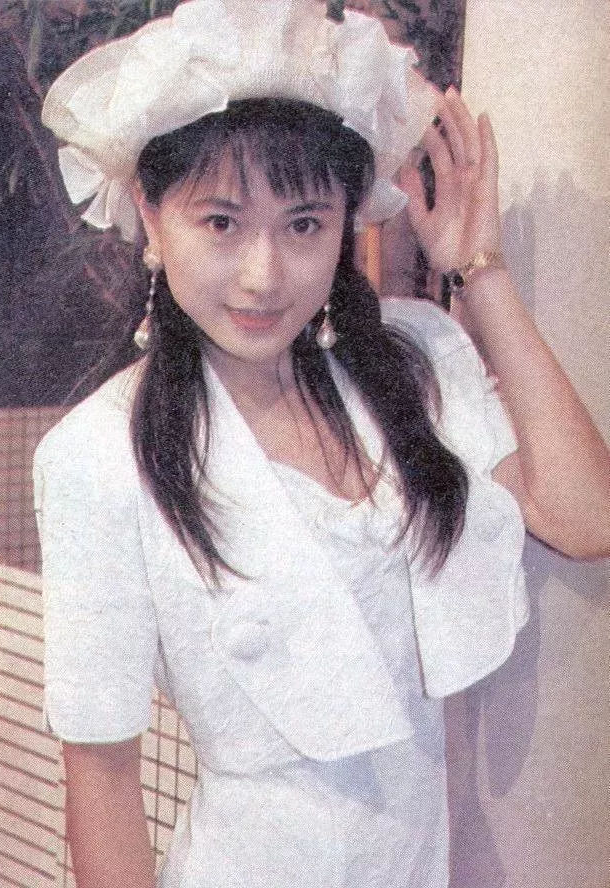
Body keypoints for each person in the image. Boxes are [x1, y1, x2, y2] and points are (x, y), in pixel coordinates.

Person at [32, 1, 610, 887]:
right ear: (151, 211)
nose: (263, 275)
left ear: (346, 224)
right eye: (220, 222)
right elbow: (102, 779)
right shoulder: (97, 456)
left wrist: (479, 269)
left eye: (304, 224)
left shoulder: (412, 362)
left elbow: (585, 516)